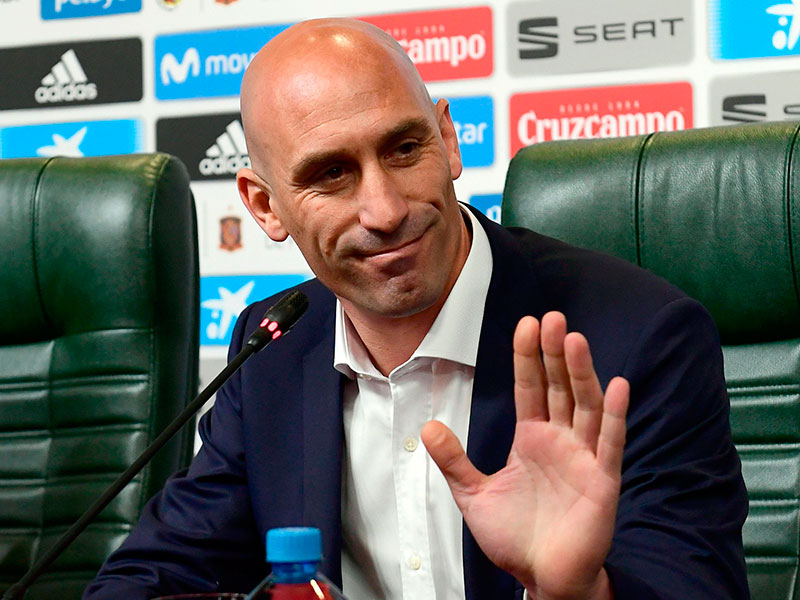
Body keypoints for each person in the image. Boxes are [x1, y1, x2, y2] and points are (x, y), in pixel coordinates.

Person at [84, 18, 749, 600]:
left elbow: (695, 584)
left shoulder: (636, 337)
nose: (385, 210)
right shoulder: (274, 345)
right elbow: (158, 572)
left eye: (404, 149)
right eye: (331, 175)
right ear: (264, 206)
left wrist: (577, 591)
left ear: (448, 140)